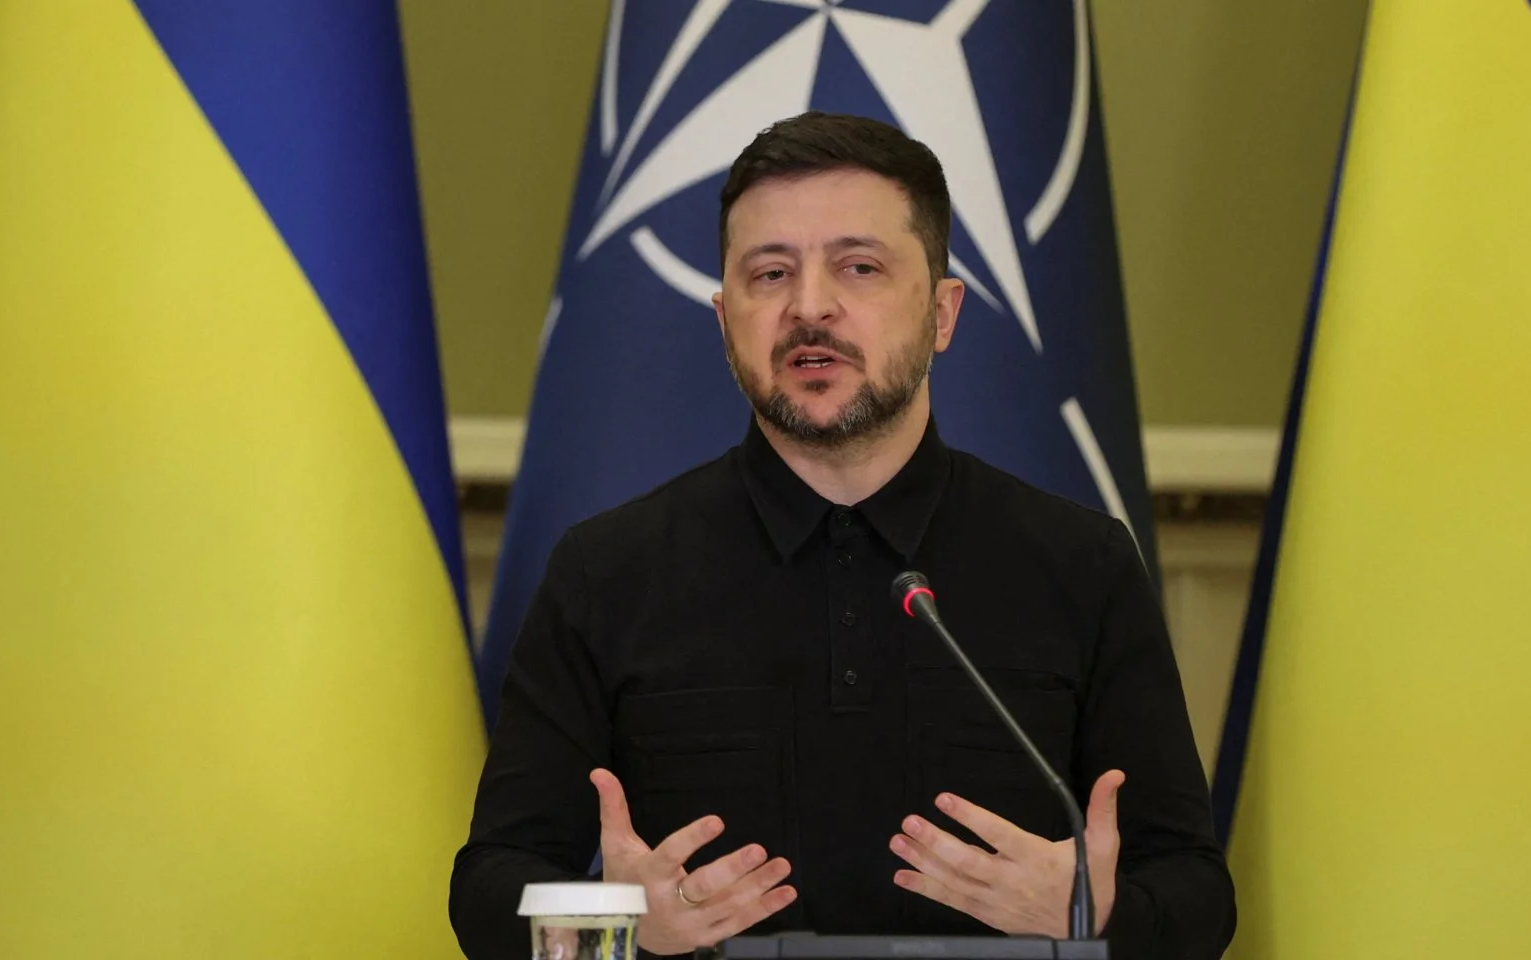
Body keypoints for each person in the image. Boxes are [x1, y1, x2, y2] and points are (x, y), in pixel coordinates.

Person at [450, 111, 1235, 959]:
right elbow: (489, 885)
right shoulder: (608, 574)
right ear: (724, 320)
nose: (810, 307)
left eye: (859, 267)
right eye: (770, 273)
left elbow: (1196, 892)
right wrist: (623, 929)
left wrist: (1091, 918)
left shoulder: (1081, 567)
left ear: (942, 313)